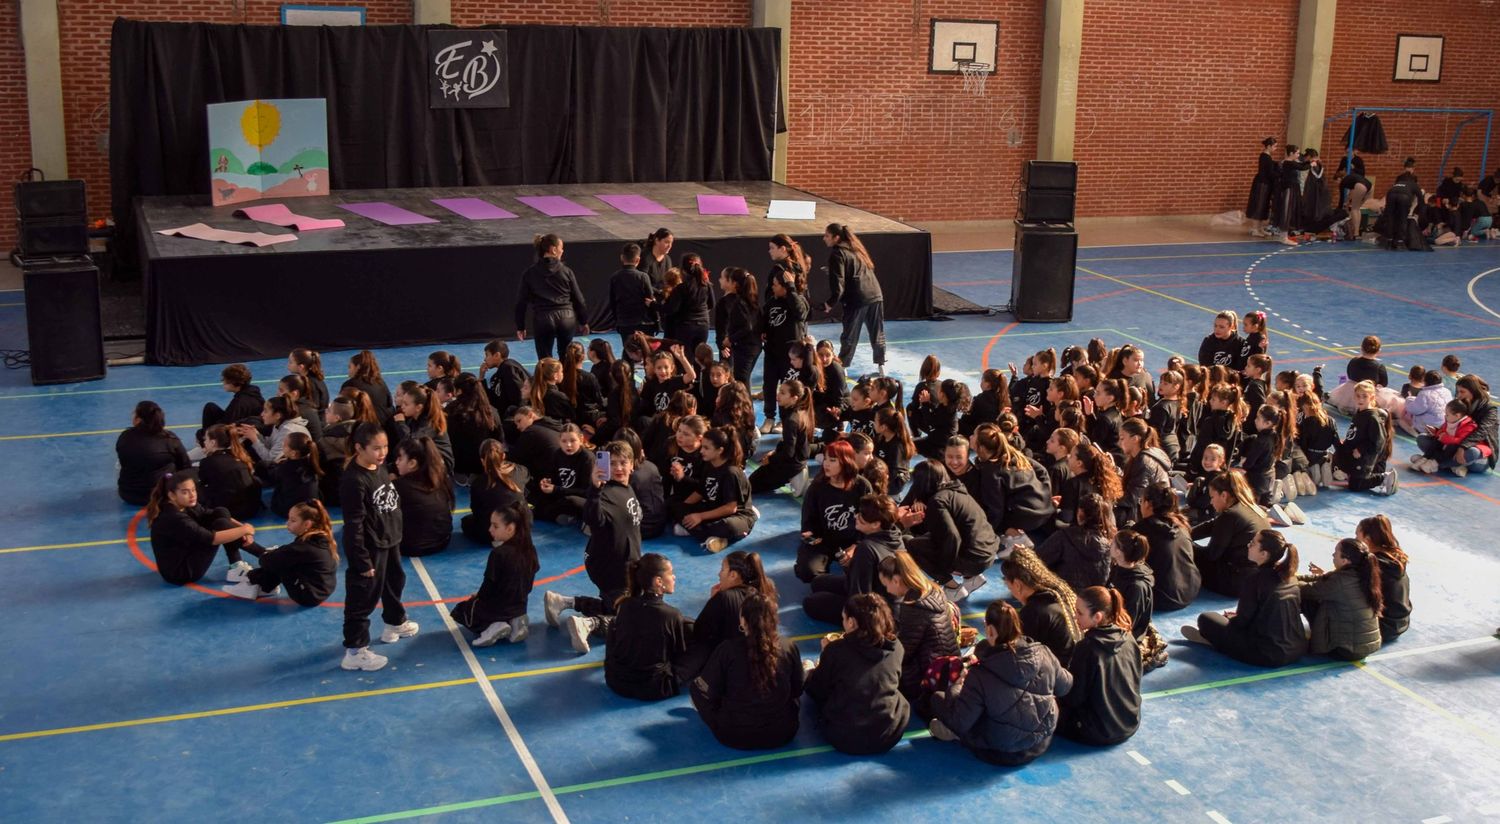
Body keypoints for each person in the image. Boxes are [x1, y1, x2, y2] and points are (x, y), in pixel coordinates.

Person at [928, 600, 1072, 766]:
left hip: (999, 750)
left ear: (989, 629)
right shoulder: (1043, 652)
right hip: (1040, 742)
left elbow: (961, 721)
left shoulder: (979, 675)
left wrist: (958, 686)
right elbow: (1065, 686)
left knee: (938, 699)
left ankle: (948, 732)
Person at [544, 441, 643, 654]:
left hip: (625, 564)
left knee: (615, 605)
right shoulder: (606, 492)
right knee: (632, 619)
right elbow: (593, 518)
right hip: (610, 567)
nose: (618, 468)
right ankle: (588, 624)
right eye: (613, 463)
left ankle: (563, 602)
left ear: (632, 465)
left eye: (623, 463)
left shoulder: (627, 488)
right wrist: (595, 489)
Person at [340, 423, 417, 672]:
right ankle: (355, 650)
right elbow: (353, 524)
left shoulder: (379, 468)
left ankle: (395, 622)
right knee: (363, 596)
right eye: (376, 448)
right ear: (359, 448)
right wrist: (361, 559)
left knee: (394, 582)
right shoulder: (354, 480)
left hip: (390, 540)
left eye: (385, 447)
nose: (382, 452)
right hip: (371, 546)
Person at [690, 592, 803, 750]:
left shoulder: (727, 650)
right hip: (781, 733)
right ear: (774, 620)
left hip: (734, 734)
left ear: (743, 621)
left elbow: (705, 690)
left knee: (696, 689)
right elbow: (797, 689)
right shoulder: (788, 647)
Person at [1183, 529, 1308, 667]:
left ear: (1264, 554)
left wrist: (1232, 620)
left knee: (1206, 619)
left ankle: (1216, 640)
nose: (1248, 545)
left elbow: (1242, 622)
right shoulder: (1289, 576)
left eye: (1253, 544)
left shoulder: (1255, 579)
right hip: (1297, 649)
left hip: (1268, 654)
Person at [804, 593, 910, 754]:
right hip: (889, 734)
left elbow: (817, 690)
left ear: (852, 622)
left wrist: (820, 662)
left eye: (844, 619)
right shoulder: (896, 647)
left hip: (845, 737)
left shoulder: (836, 650)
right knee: (898, 697)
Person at [899, 460, 1000, 602]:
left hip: (974, 558)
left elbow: (952, 538)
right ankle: (971, 578)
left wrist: (943, 567)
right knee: (932, 537)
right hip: (987, 550)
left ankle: (952, 588)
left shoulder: (938, 501)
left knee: (911, 545)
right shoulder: (958, 491)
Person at [1056, 586, 1142, 746]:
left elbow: (1074, 698)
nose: (1075, 617)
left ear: (1097, 617)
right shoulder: (1128, 638)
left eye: (1080, 613)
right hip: (1129, 721)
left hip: (1098, 731)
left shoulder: (1087, 647)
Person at [677, 550, 778, 683]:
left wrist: (712, 601)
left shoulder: (724, 598)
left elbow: (700, 632)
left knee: (684, 625)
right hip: (760, 652)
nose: (719, 574)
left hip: (729, 659)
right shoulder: (764, 591)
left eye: (722, 569)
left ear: (733, 575)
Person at [602, 553, 693, 701]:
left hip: (616, 681)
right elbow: (678, 653)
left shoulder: (624, 604)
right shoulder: (671, 615)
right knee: (702, 648)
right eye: (671, 574)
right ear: (659, 581)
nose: (674, 577)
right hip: (651, 687)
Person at [877, 551, 960, 709]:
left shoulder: (913, 607)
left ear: (896, 580)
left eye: (886, 584)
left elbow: (904, 652)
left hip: (928, 672)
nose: (887, 590)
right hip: (950, 663)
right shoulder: (932, 589)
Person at [803, 494, 904, 624]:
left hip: (876, 610)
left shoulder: (867, 548)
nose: (856, 516)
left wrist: (851, 617)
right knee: (818, 582)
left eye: (862, 517)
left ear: (875, 524)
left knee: (811, 603)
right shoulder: (895, 534)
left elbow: (859, 595)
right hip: (886, 597)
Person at [146, 472, 258, 585]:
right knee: (220, 526)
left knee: (221, 514)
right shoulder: (173, 517)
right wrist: (243, 530)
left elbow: (216, 514)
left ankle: (239, 565)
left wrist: (242, 527)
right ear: (172, 495)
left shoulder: (184, 505)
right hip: (181, 573)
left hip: (186, 553)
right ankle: (262, 554)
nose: (192, 495)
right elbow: (211, 539)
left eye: (193, 490)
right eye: (185, 492)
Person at [452, 504, 539, 647]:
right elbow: (528, 585)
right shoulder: (530, 550)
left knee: (462, 611)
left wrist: (477, 597)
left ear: (510, 528)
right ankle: (515, 620)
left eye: (495, 526)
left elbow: (488, 586)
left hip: (498, 607)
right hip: (519, 605)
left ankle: (493, 626)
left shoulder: (498, 554)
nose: (490, 529)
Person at [221, 500, 339, 606]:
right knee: (281, 557)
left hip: (308, 596)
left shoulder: (304, 547)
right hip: (321, 590)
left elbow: (267, 562)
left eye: (293, 520)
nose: (287, 523)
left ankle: (255, 584)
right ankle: (266, 586)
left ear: (307, 524)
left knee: (279, 561)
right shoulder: (320, 539)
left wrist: (251, 575)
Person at [796, 440, 875, 582]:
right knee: (806, 571)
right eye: (825, 459)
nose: (826, 464)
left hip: (852, 541)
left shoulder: (862, 486)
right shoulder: (817, 487)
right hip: (824, 541)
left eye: (832, 460)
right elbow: (808, 520)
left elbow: (871, 520)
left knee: (870, 572)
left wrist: (857, 545)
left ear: (846, 462)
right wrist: (810, 535)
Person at [673, 427, 757, 553]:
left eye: (706, 448)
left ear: (720, 450)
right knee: (674, 505)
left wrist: (699, 516)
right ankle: (710, 536)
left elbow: (731, 508)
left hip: (735, 515)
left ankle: (704, 532)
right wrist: (683, 508)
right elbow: (701, 492)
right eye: (702, 447)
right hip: (714, 509)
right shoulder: (709, 464)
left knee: (727, 526)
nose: (701, 451)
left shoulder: (731, 472)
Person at [1300, 538, 1383, 660]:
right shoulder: (1363, 574)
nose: (1333, 555)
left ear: (1345, 560)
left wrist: (1286, 581)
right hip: (1365, 645)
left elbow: (1308, 590)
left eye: (1336, 552)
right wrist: (1295, 577)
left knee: (1307, 599)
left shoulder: (1340, 581)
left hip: (1347, 650)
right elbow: (1323, 579)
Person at [1192, 471, 1270, 596]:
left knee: (1183, 551)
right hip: (1256, 579)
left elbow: (1212, 555)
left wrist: (1184, 543)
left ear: (1224, 495)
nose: (1211, 503)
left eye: (1212, 497)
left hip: (1236, 582)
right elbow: (1211, 526)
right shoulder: (1251, 508)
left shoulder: (1230, 515)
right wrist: (1186, 532)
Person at [821, 223, 885, 371]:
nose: (824, 238)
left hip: (858, 299)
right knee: (877, 333)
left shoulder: (837, 253)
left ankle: (842, 367)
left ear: (836, 238)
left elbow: (839, 285)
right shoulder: (856, 249)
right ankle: (881, 364)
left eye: (827, 236)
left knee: (849, 336)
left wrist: (829, 304)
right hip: (875, 294)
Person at [515, 233, 589, 360]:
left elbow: (521, 302)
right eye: (561, 247)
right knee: (567, 357)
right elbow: (579, 299)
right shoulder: (567, 271)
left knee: (545, 359)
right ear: (553, 250)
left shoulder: (529, 273)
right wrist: (583, 321)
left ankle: (547, 379)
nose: (563, 250)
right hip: (567, 317)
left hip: (543, 319)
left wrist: (520, 326)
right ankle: (567, 379)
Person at [1000, 548, 1080, 666]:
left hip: (1055, 674)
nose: (1010, 591)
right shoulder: (1058, 596)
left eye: (1009, 586)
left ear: (1017, 585)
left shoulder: (1033, 612)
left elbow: (1020, 656)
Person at [1135, 483, 1201, 612]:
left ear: (1148, 504)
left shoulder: (1141, 530)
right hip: (1191, 589)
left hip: (1163, 598)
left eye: (1141, 501)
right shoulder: (1181, 524)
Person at [1109, 529, 1169, 671]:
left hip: (1128, 630)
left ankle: (1151, 660)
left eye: (1113, 543)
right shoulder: (1118, 568)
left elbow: (1129, 623)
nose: (1109, 544)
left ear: (1118, 552)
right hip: (1113, 618)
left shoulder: (1137, 587)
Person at [1036, 493, 1116, 594]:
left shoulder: (1064, 536)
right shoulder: (1109, 543)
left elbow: (1038, 560)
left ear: (1080, 512)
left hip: (1063, 597)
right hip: (1093, 601)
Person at [117, 401, 192, 506]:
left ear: (138, 419)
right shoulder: (169, 439)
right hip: (161, 495)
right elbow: (185, 465)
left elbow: (123, 460)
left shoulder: (125, 437)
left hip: (128, 494)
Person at [392, 436, 454, 557]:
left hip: (412, 547)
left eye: (400, 458)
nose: (396, 462)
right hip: (442, 541)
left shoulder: (398, 486)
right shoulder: (440, 479)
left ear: (412, 463)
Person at [749, 379, 813, 494]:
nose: (778, 395)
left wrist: (771, 459)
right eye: (779, 391)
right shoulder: (795, 411)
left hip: (792, 463)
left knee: (751, 485)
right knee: (753, 481)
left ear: (794, 398)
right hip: (796, 458)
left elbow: (789, 453)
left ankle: (795, 474)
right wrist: (774, 452)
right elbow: (788, 443)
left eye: (783, 393)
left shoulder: (791, 420)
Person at [1333, 380, 1397, 495]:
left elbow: (1379, 442)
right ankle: (1344, 469)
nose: (1360, 399)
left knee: (1355, 486)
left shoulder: (1372, 417)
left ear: (1372, 397)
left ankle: (1384, 478)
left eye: (1364, 396)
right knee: (1338, 452)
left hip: (1365, 457)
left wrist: (1361, 449)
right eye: (1358, 396)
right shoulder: (1360, 413)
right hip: (1354, 453)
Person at [1357, 515, 1411, 642]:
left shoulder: (1373, 563)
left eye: (1357, 536)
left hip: (1383, 627)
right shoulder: (1395, 558)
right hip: (1401, 622)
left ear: (1367, 539)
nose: (1355, 540)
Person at [196, 424, 263, 521]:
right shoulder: (241, 456)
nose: (204, 442)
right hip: (250, 510)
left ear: (213, 442)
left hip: (227, 512)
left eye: (206, 439)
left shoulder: (208, 462)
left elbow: (204, 483)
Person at [715, 266, 762, 387]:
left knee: (741, 382)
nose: (719, 280)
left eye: (727, 279)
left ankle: (745, 405)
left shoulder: (738, 303)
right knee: (742, 380)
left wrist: (729, 339)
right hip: (754, 346)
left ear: (733, 284)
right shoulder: (752, 300)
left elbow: (747, 326)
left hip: (745, 347)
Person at [662, 254, 714, 352]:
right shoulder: (706, 285)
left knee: (685, 358)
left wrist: (653, 305)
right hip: (703, 325)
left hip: (686, 326)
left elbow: (672, 309)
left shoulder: (681, 288)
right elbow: (711, 304)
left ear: (683, 270)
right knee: (699, 356)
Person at [263, 431, 322, 518]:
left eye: (284, 446)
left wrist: (276, 465)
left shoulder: (285, 468)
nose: (282, 447)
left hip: (290, 510)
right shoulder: (312, 463)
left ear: (293, 453)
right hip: (312, 507)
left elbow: (272, 477)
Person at [608, 242, 656, 343]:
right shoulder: (643, 277)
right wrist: (656, 320)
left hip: (624, 322)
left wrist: (617, 320)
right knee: (645, 350)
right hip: (643, 322)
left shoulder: (615, 277)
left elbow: (612, 302)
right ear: (638, 259)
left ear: (622, 257)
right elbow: (650, 299)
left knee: (628, 350)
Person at [479, 339, 528, 419]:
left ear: (497, 355)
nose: (485, 359)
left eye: (487, 355)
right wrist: (481, 377)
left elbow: (519, 399)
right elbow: (492, 399)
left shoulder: (508, 368)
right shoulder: (497, 376)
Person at [341, 350, 394, 422]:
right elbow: (389, 404)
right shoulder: (380, 382)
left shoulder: (349, 385)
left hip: (365, 426)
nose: (348, 371)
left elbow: (343, 409)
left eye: (350, 367)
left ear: (358, 367)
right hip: (385, 425)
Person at [1247, 137, 1279, 236]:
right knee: (1259, 206)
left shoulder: (1268, 156)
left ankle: (1260, 228)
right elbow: (1269, 172)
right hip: (1262, 184)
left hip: (1266, 183)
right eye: (1274, 146)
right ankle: (1254, 229)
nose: (1276, 148)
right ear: (1269, 146)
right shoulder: (1264, 156)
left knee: (1264, 206)